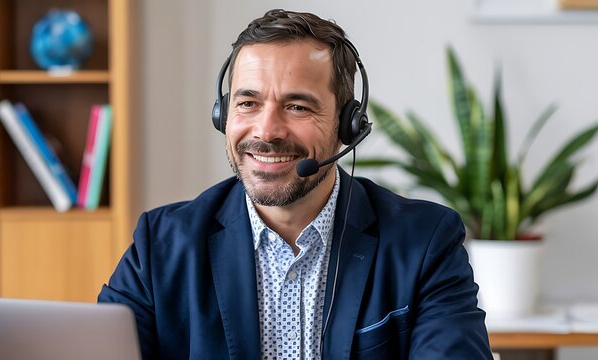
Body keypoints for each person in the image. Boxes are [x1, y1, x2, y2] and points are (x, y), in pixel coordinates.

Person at [98, 9, 493, 359]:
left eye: (298, 106)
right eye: (247, 103)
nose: (266, 131)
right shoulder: (161, 246)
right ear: (223, 115)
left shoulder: (424, 242)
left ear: (347, 125)